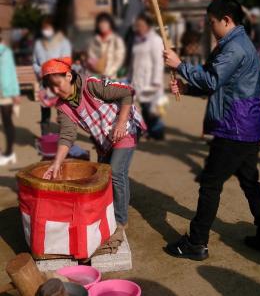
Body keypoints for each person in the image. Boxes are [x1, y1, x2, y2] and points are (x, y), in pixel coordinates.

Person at [163, 0, 260, 260]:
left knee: (210, 184)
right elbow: (214, 84)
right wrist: (186, 86)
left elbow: (213, 79)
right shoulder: (233, 44)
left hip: (235, 126)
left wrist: (180, 65)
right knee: (250, 182)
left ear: (226, 20)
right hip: (245, 124)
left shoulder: (235, 47)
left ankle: (196, 242)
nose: (209, 28)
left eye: (212, 23)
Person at [41, 57, 146, 229]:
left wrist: (120, 123)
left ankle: (120, 221)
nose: (55, 90)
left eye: (57, 84)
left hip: (125, 126)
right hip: (103, 137)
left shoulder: (90, 85)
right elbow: (67, 135)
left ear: (68, 76)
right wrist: (56, 163)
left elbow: (128, 93)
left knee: (117, 171)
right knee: (103, 175)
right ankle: (112, 206)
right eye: (51, 87)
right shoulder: (63, 106)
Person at [33, 16, 72, 135]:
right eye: (44, 28)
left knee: (63, 112)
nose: (46, 30)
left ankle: (65, 141)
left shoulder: (63, 42)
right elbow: (35, 62)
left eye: (48, 27)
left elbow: (66, 61)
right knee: (44, 111)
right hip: (44, 82)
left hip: (59, 82)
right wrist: (41, 71)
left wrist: (52, 71)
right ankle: (45, 140)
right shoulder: (38, 44)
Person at [129, 13, 166, 140]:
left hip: (150, 79)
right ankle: (147, 131)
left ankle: (157, 133)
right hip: (138, 79)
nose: (138, 27)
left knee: (153, 110)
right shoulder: (137, 40)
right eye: (137, 25)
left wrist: (156, 81)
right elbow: (133, 61)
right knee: (142, 108)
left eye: (141, 25)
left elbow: (158, 62)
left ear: (148, 26)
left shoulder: (156, 40)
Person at [0, 31, 20, 166]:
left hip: (5, 94)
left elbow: (11, 73)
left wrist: (15, 93)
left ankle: (9, 153)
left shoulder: (5, 52)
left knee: (7, 122)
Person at [87, 12, 125, 79]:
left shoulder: (116, 40)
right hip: (97, 77)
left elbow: (119, 60)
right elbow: (91, 56)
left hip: (111, 77)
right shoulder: (94, 41)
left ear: (110, 24)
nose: (103, 25)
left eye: (105, 23)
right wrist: (93, 66)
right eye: (100, 23)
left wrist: (108, 73)